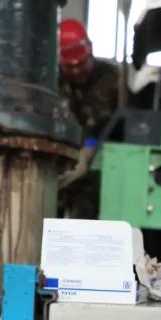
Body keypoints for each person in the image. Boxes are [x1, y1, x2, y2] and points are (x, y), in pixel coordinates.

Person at [57, 18, 119, 202]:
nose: (76, 71)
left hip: (102, 167)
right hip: (63, 161)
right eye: (70, 67)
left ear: (90, 49)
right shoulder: (54, 83)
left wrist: (90, 149)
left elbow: (117, 124)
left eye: (81, 64)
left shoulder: (111, 79)